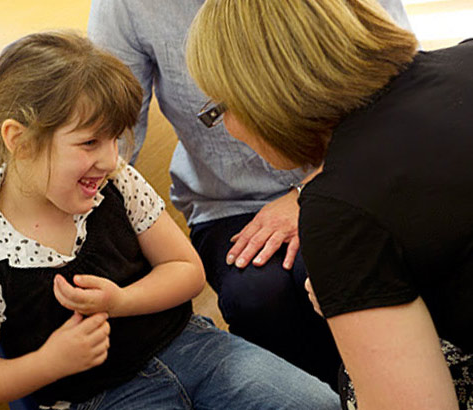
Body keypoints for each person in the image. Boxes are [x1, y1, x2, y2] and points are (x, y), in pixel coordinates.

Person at [0, 31, 340, 410]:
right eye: (90, 142)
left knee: (319, 403)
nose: (111, 159)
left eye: (114, 139)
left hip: (192, 347)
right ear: (18, 140)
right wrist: (50, 361)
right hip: (98, 396)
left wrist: (122, 301)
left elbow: (186, 271)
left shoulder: (117, 181)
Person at [86, 0, 412, 389]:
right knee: (256, 296)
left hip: (345, 173)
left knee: (335, 274)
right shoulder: (126, 7)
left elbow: (400, 88)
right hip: (226, 201)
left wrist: (309, 191)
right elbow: (110, 132)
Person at [186, 0, 473, 409]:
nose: (228, 127)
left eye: (220, 107)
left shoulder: (338, 210)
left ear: (261, 94)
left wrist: (361, 298)